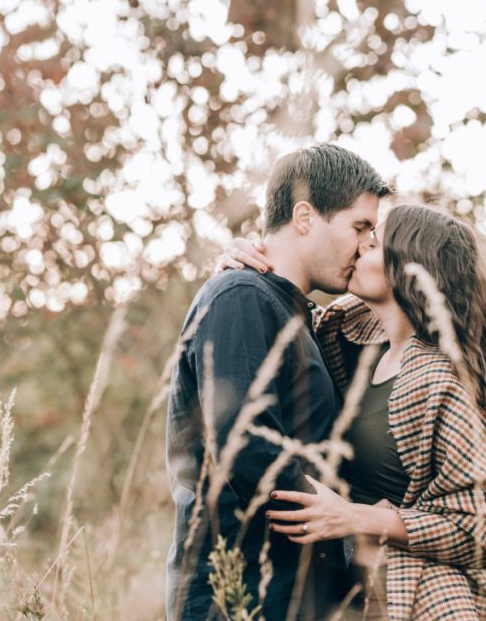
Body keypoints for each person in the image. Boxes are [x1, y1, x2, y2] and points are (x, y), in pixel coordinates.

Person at [222, 204, 486, 620]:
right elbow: (277, 314)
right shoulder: (349, 338)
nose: (356, 250)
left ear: (408, 270)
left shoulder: (440, 379)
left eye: (371, 244)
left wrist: (355, 516)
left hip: (423, 599)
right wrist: (244, 266)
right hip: (354, 592)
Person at [165, 144, 392, 620]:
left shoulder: (302, 316)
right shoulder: (241, 295)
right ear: (305, 216)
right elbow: (243, 445)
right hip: (239, 593)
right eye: (359, 226)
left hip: (288, 594)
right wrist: (350, 525)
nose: (367, 244)